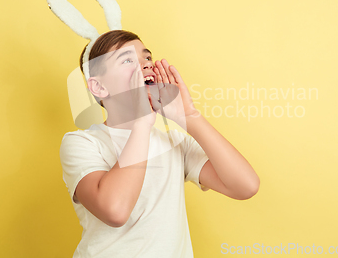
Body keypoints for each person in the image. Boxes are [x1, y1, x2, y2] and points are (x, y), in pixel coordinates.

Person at [60, 30, 260, 257]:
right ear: (99, 88)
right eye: (127, 60)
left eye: (147, 58)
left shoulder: (173, 141)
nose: (146, 65)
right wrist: (142, 123)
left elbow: (246, 186)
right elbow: (115, 211)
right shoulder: (82, 143)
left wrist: (190, 116)